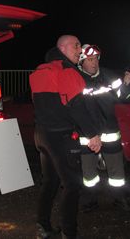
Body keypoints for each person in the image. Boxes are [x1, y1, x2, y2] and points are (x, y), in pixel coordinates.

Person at [30, 35, 102, 239]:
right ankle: (69, 233)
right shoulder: (67, 71)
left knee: (51, 181)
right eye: (76, 45)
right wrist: (92, 134)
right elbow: (77, 106)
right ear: (62, 48)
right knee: (72, 184)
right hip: (59, 136)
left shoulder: (40, 71)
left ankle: (43, 225)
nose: (80, 49)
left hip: (41, 134)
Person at [77, 44, 130, 212]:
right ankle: (90, 201)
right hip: (86, 134)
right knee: (89, 174)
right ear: (81, 62)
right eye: (90, 60)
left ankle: (120, 199)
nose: (94, 63)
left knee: (117, 172)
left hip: (110, 131)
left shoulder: (109, 76)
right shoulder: (75, 79)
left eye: (96, 59)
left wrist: (126, 85)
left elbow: (125, 98)